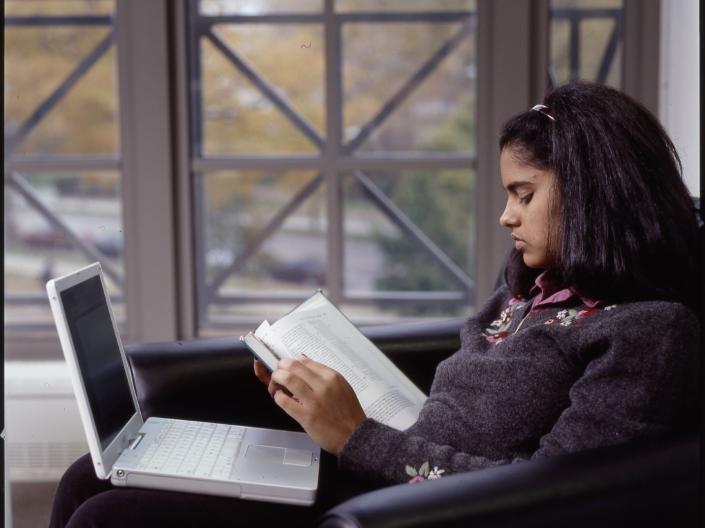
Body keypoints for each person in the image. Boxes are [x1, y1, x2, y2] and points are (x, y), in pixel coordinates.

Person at [50, 81, 700, 527]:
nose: (505, 216)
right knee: (91, 478)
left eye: (523, 195)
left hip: (411, 510)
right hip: (377, 466)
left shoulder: (647, 334)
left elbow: (549, 494)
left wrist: (354, 438)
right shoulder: (535, 282)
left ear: (590, 194)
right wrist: (320, 399)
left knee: (112, 517)